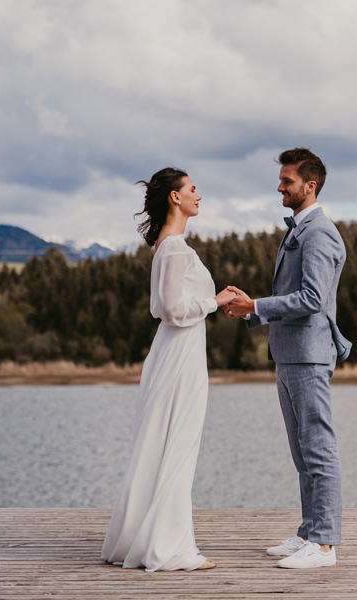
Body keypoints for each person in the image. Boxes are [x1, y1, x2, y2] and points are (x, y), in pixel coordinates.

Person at [101, 167, 235, 572]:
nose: (199, 195)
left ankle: (146, 536)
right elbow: (173, 310)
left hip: (173, 352)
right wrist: (216, 300)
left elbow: (159, 308)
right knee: (177, 444)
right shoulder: (175, 248)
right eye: (193, 189)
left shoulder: (166, 246)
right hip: (181, 355)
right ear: (175, 198)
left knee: (162, 441)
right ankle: (168, 545)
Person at [224, 148, 352, 569]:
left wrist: (256, 306)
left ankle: (326, 545)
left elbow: (314, 299)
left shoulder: (320, 233)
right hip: (290, 355)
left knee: (318, 449)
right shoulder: (300, 229)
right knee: (302, 452)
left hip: (310, 357)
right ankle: (309, 534)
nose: (279, 186)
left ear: (309, 185)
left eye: (287, 181)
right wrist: (253, 309)